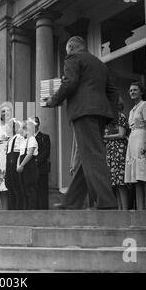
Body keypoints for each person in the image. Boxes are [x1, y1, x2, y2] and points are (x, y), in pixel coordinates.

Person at [44, 36, 119, 209]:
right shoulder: (100, 64)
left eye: (67, 49)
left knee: (92, 155)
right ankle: (72, 202)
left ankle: (107, 202)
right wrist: (112, 117)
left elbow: (70, 83)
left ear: (70, 47)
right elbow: (113, 92)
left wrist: (53, 100)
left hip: (83, 113)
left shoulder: (73, 58)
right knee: (88, 155)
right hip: (100, 113)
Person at [124, 82, 146, 210]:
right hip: (133, 142)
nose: (132, 92)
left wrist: (145, 143)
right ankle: (140, 210)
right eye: (131, 90)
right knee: (136, 178)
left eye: (135, 90)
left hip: (142, 140)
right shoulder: (132, 110)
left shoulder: (145, 105)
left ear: (141, 92)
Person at [103, 99, 129, 210]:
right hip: (110, 151)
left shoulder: (121, 117)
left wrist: (106, 138)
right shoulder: (109, 120)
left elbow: (122, 134)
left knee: (120, 182)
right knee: (115, 183)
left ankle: (125, 210)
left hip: (119, 149)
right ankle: (119, 209)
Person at [0, 105, 12, 210]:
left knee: (5, 184)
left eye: (6, 111)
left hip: (6, 153)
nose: (4, 114)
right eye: (2, 112)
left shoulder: (11, 127)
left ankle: (5, 209)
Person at [17, 119, 39, 210]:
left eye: (21, 128)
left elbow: (30, 154)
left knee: (31, 189)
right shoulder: (23, 141)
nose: (19, 130)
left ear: (26, 129)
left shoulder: (32, 139)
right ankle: (25, 209)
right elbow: (20, 154)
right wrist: (18, 165)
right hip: (22, 167)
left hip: (30, 167)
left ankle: (31, 209)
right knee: (23, 189)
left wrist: (22, 165)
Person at [5, 120, 25, 210]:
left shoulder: (19, 138)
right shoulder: (10, 139)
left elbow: (21, 152)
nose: (7, 129)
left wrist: (18, 163)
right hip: (9, 163)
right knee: (10, 184)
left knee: (17, 185)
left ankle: (19, 207)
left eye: (9, 127)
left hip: (15, 162)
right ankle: (11, 207)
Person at [34, 116, 50, 209]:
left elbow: (46, 152)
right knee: (32, 192)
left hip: (41, 168)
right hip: (30, 170)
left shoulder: (45, 137)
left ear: (39, 124)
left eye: (36, 122)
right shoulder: (26, 138)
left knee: (42, 191)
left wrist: (36, 161)